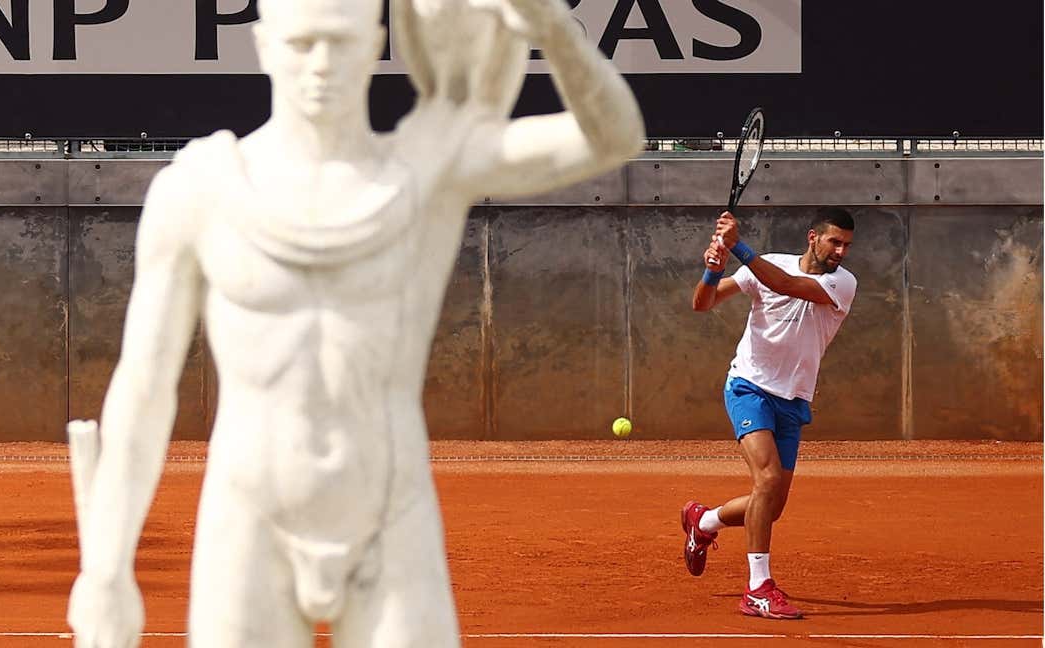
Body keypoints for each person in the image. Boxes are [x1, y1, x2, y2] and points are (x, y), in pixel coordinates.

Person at [64, 0, 644, 646]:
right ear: (263, 45)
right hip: (248, 520)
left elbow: (614, 138)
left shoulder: (428, 169)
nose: (322, 65)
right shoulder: (200, 189)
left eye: (340, 43)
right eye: (302, 42)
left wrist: (550, 30)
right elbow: (143, 386)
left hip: (391, 516)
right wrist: (106, 568)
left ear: (374, 47)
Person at [684, 208, 857, 619]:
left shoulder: (841, 283)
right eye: (834, 241)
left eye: (847, 245)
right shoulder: (767, 264)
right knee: (767, 479)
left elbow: (785, 284)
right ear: (813, 237)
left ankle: (704, 522)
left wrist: (736, 245)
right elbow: (702, 303)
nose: (841, 251)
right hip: (748, 386)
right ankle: (757, 588)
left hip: (793, 398)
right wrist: (713, 269)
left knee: (771, 505)